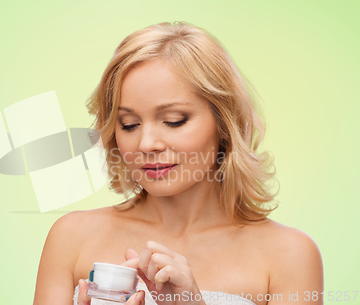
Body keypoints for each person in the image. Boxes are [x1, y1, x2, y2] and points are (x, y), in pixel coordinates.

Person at [32, 21, 324, 305]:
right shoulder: (71, 237)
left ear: (224, 122)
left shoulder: (290, 255)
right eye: (129, 124)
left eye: (174, 121)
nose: (146, 144)